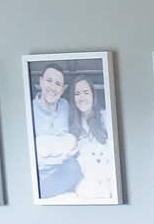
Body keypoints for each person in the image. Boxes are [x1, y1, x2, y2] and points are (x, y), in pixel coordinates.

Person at [30, 62, 82, 199]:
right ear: (41, 82)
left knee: (75, 169)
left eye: (58, 84)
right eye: (49, 81)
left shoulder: (66, 107)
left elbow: (74, 139)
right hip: (39, 173)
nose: (53, 87)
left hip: (64, 171)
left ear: (63, 89)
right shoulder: (30, 110)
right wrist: (58, 160)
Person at [67, 75, 117, 201]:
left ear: (93, 95)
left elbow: (114, 154)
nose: (82, 97)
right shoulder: (71, 124)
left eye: (86, 92)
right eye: (77, 93)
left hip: (107, 174)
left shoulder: (106, 117)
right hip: (86, 177)